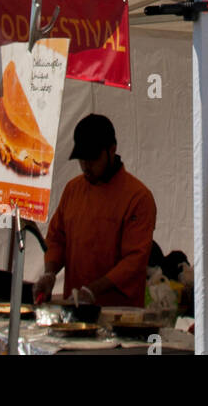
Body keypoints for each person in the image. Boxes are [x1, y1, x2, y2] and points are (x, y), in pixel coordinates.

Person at [35, 114, 156, 309]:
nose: (86, 165)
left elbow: (135, 260)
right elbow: (56, 239)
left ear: (112, 150)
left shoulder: (138, 197)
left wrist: (93, 290)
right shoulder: (73, 189)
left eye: (93, 158)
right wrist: (50, 273)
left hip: (120, 315)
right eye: (82, 158)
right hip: (74, 310)